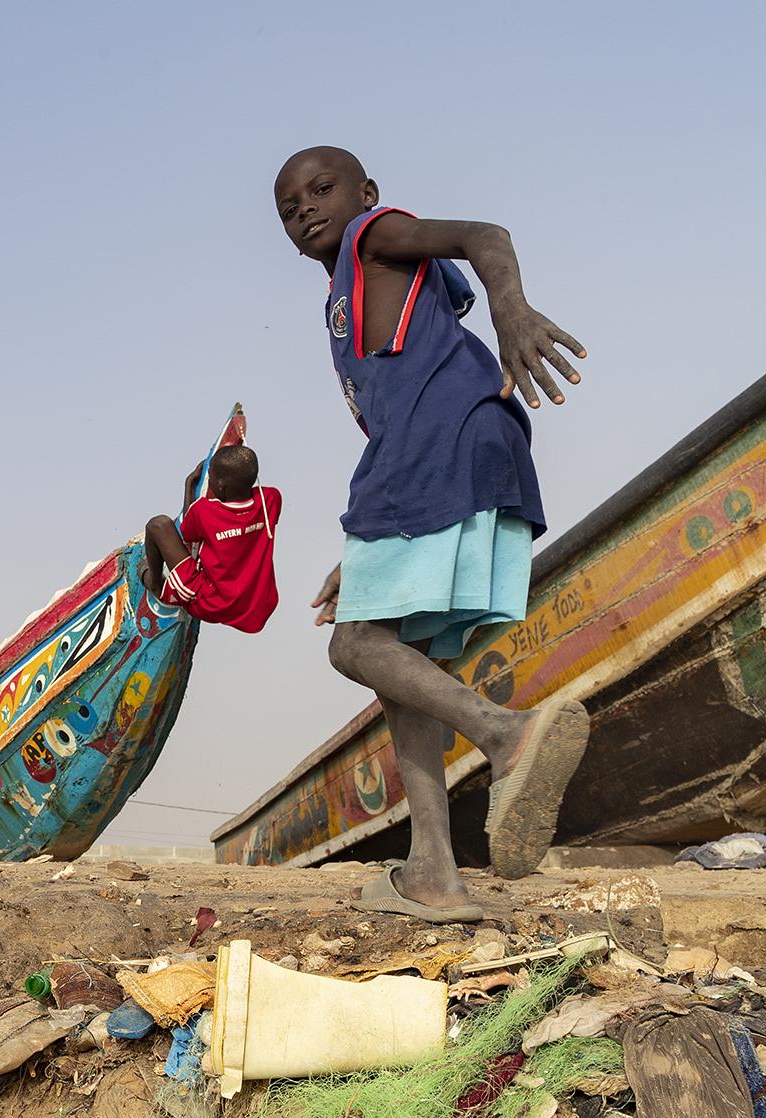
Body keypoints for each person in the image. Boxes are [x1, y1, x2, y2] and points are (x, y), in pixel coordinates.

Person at [273, 146, 589, 920]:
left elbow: (485, 234)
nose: (307, 208)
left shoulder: (374, 237)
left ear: (367, 193)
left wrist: (513, 309)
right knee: (396, 657)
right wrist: (368, 552)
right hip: (455, 449)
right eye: (289, 207)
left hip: (435, 445)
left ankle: (506, 735)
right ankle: (434, 873)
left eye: (321, 189)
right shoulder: (360, 292)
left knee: (353, 645)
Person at [142, 444, 282, 633]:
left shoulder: (204, 511)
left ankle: (155, 584)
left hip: (213, 604)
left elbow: (186, 533)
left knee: (158, 525)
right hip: (258, 605)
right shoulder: (271, 500)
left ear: (221, 486)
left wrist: (189, 486)